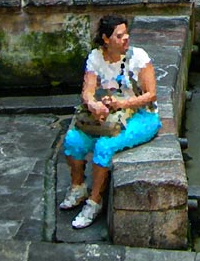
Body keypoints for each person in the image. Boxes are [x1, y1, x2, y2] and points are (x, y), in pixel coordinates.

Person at [59, 15, 160, 230]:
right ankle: (77, 187)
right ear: (106, 39)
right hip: (110, 113)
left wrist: (123, 103)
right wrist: (94, 104)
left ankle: (95, 200)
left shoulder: (139, 57)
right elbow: (87, 91)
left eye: (126, 34)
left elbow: (151, 95)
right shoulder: (96, 58)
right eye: (119, 35)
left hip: (142, 115)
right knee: (74, 140)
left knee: (104, 146)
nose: (126, 39)